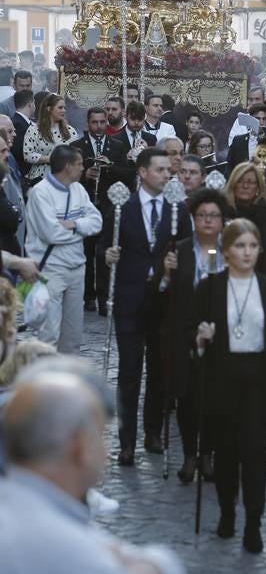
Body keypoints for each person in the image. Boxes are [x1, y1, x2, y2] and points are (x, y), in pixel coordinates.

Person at [0, 361, 193, 574]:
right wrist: (148, 568)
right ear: (79, 446)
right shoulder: (50, 539)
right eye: (101, 435)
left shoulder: (21, 508)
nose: (105, 449)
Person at [192, 219, 266, 553]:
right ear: (227, 250)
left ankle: (253, 522)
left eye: (253, 246)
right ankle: (228, 511)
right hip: (223, 376)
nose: (247, 253)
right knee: (226, 452)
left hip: (258, 380)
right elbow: (196, 338)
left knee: (255, 454)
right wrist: (202, 339)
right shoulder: (211, 288)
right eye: (240, 246)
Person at [103, 148, 190, 466]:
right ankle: (126, 442)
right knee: (129, 371)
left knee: (159, 371)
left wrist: (176, 264)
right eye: (161, 169)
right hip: (130, 298)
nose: (168, 174)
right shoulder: (121, 206)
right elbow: (105, 245)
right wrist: (108, 255)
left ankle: (153, 433)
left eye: (169, 169)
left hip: (163, 300)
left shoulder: (177, 208)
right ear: (142, 172)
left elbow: (187, 247)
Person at [160, 189, 229, 483]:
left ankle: (207, 453)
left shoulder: (230, 250)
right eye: (202, 215)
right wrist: (165, 274)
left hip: (220, 332)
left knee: (214, 399)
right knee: (187, 398)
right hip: (185, 331)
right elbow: (162, 293)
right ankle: (189, 453)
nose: (208, 221)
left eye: (213, 216)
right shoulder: (181, 250)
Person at [25, 146, 102, 352]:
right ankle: (45, 381)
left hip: (76, 268)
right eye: (79, 164)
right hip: (50, 270)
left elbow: (97, 222)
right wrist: (82, 228)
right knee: (48, 335)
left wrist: (75, 224)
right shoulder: (40, 193)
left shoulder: (78, 189)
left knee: (73, 336)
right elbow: (51, 233)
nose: (83, 168)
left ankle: (68, 380)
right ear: (68, 167)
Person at [72, 108, 129, 315]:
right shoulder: (77, 146)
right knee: (86, 253)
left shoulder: (117, 145)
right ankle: (88, 296)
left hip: (108, 206)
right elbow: (68, 178)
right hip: (85, 206)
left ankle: (105, 298)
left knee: (105, 253)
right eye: (94, 123)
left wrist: (109, 167)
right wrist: (85, 174)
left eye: (102, 122)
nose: (99, 127)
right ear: (87, 123)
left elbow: (127, 175)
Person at [223, 161, 266, 280]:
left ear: (258, 187)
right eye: (240, 181)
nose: (245, 186)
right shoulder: (222, 214)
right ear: (233, 184)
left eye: (250, 182)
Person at [23, 94, 77, 185]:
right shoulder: (33, 129)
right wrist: (50, 159)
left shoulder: (70, 131)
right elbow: (27, 155)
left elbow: (76, 156)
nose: (64, 110)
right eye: (60, 108)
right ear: (49, 108)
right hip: (37, 180)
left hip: (63, 180)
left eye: (64, 108)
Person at [110, 100, 157, 190]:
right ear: (126, 117)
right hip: (122, 188)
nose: (136, 122)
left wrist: (147, 152)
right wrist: (126, 158)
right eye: (133, 118)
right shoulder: (114, 139)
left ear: (144, 118)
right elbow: (112, 168)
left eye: (140, 119)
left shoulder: (151, 139)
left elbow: (154, 166)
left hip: (145, 187)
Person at [227, 103, 266, 171]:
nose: (261, 122)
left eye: (264, 119)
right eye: (257, 119)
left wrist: (263, 136)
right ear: (250, 120)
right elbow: (229, 166)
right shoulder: (238, 141)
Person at [11, 88, 35, 176]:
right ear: (30, 104)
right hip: (22, 173)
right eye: (34, 102)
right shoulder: (18, 124)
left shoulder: (21, 122)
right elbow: (21, 152)